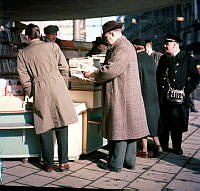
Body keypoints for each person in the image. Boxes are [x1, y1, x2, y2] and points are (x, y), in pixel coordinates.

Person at [84, 21, 149, 173]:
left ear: (112, 33)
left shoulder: (122, 47)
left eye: (106, 37)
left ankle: (115, 164)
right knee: (131, 130)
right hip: (126, 93)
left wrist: (95, 73)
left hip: (121, 95)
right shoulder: (124, 45)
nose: (106, 40)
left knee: (119, 129)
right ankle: (129, 162)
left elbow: (111, 70)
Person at [17, 24, 78, 172]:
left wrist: (32, 92)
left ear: (26, 37)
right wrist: (61, 83)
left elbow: (24, 79)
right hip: (58, 86)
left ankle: (48, 164)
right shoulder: (53, 46)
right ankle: (63, 162)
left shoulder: (22, 53)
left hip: (39, 88)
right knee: (62, 123)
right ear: (39, 34)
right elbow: (64, 67)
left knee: (44, 125)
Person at [156, 33, 200, 155]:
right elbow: (158, 76)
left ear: (175, 44)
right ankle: (164, 145)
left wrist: (185, 91)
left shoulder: (186, 58)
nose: (164, 45)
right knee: (164, 122)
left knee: (176, 123)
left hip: (178, 98)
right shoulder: (164, 58)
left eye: (167, 43)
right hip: (164, 97)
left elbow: (195, 78)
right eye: (165, 43)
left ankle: (177, 147)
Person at [132, 39, 162, 157]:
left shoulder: (136, 60)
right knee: (153, 121)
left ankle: (144, 149)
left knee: (142, 120)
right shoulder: (151, 59)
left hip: (142, 94)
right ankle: (158, 146)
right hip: (153, 95)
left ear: (135, 47)